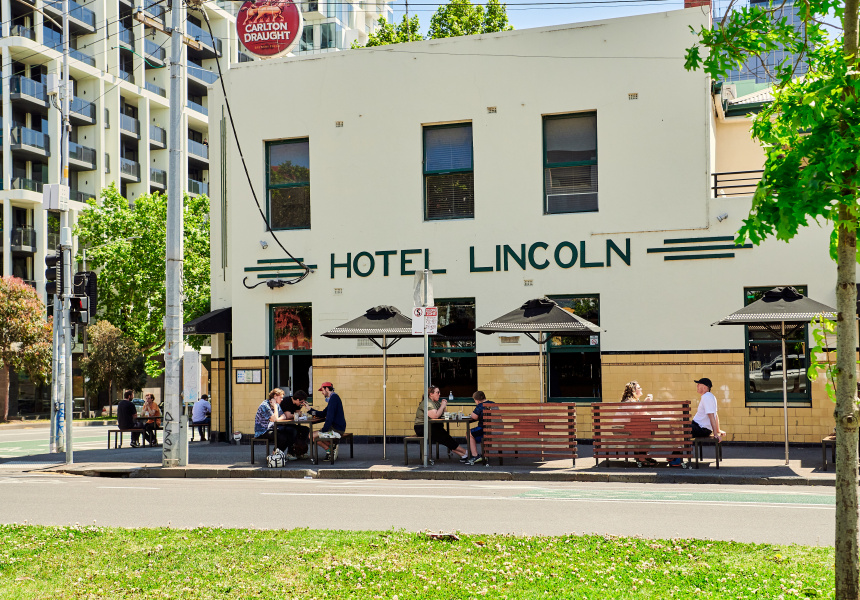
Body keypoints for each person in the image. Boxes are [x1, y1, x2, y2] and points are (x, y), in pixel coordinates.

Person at [413, 386, 468, 461]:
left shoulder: (436, 403)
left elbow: (444, 415)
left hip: (432, 426)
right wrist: (442, 406)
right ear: (431, 394)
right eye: (437, 392)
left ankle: (464, 454)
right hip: (422, 427)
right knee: (444, 437)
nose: (439, 394)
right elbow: (435, 416)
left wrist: (444, 407)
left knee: (445, 438)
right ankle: (466, 452)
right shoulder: (427, 402)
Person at [254, 388, 298, 460]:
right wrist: (275, 407)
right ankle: (275, 455)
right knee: (282, 437)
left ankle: (280, 454)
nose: (282, 399)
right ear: (275, 396)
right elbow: (274, 419)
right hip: (263, 431)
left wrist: (277, 418)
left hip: (272, 427)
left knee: (291, 431)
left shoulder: (277, 405)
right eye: (280, 397)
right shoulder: (265, 405)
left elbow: (283, 416)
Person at [620, 381, 657, 464]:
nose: (641, 389)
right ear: (633, 391)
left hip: (630, 428)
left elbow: (642, 414)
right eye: (639, 388)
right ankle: (641, 457)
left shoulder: (634, 401)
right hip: (625, 430)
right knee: (647, 430)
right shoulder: (630, 401)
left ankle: (643, 455)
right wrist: (646, 402)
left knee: (649, 428)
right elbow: (638, 415)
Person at [310, 382, 346, 461]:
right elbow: (323, 413)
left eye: (322, 390)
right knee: (314, 435)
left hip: (336, 429)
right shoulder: (333, 398)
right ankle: (332, 447)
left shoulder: (333, 399)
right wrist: (310, 410)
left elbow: (329, 418)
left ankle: (329, 450)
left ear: (327, 389)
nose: (322, 393)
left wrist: (324, 430)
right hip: (337, 427)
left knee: (311, 436)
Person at [692, 377, 726, 442]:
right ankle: (680, 448)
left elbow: (711, 415)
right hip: (700, 428)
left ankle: (679, 448)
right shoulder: (710, 396)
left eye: (699, 384)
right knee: (680, 427)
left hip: (700, 428)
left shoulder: (706, 397)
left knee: (678, 429)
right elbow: (715, 415)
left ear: (704, 387)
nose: (697, 386)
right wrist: (718, 430)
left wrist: (716, 434)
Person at [466, 391, 494, 465]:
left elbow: (474, 416)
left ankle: (475, 456)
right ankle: (485, 454)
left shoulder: (480, 405)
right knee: (481, 432)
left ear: (477, 400)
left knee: (469, 433)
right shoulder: (493, 403)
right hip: (495, 430)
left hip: (484, 429)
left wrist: (472, 414)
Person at [280, 389, 311, 458]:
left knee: (306, 429)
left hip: (291, 423)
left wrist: (296, 413)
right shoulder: (287, 401)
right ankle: (290, 452)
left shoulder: (297, 404)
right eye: (301, 402)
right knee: (293, 431)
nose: (301, 404)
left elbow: (298, 413)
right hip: (282, 424)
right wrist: (296, 414)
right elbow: (288, 416)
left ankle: (301, 450)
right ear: (297, 399)